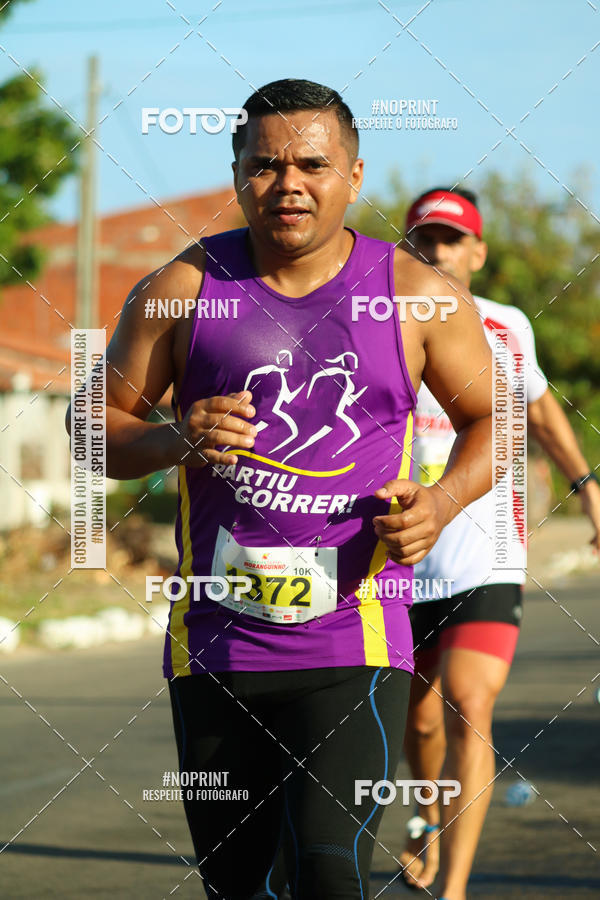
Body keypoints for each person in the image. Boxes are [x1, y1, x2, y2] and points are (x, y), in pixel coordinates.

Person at [68, 82, 496, 900]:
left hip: (356, 642)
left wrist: (441, 503)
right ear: (236, 174)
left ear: (354, 174)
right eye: (264, 165)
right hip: (217, 647)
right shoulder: (181, 289)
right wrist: (176, 438)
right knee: (239, 888)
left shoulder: (418, 294)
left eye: (311, 164)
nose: (287, 183)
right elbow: (93, 427)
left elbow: (490, 422)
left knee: (330, 877)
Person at [398, 186, 600, 900]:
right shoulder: (380, 319)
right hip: (396, 558)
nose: (438, 251)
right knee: (416, 721)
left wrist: (588, 485)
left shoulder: (509, 326)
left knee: (467, 704)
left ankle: (453, 887)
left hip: (487, 552)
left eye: (451, 240)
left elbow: (541, 410)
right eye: (424, 238)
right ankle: (425, 818)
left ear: (478, 252)